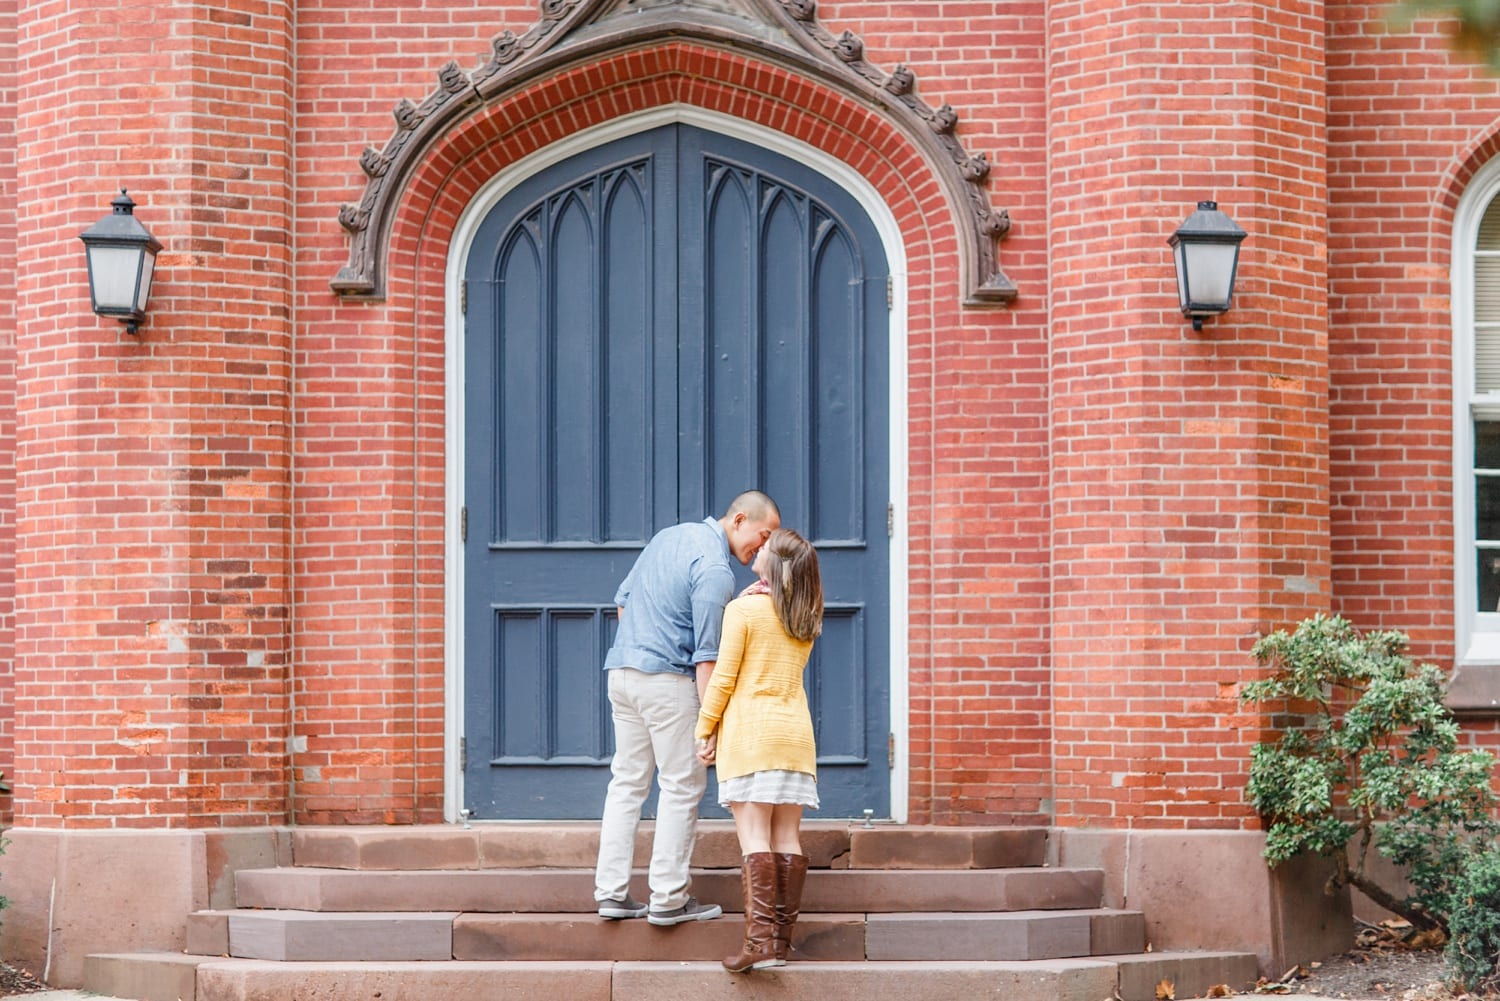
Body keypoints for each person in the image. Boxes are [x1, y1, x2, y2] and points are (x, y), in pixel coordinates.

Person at [592, 490, 782, 926]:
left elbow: (622, 603)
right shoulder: (716, 570)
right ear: (738, 519)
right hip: (670, 681)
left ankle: (611, 892)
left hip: (622, 672)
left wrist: (644, 645)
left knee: (626, 784)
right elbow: (707, 657)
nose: (763, 546)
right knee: (680, 787)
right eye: (762, 534)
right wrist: (709, 726)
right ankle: (669, 897)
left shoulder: (669, 537)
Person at [694, 527, 824, 972]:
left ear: (777, 563)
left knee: (754, 839)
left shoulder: (745, 609)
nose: (759, 547)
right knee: (786, 837)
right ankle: (779, 944)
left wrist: (704, 728)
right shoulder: (803, 615)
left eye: (767, 547)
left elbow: (724, 678)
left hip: (752, 735)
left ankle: (758, 943)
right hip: (795, 738)